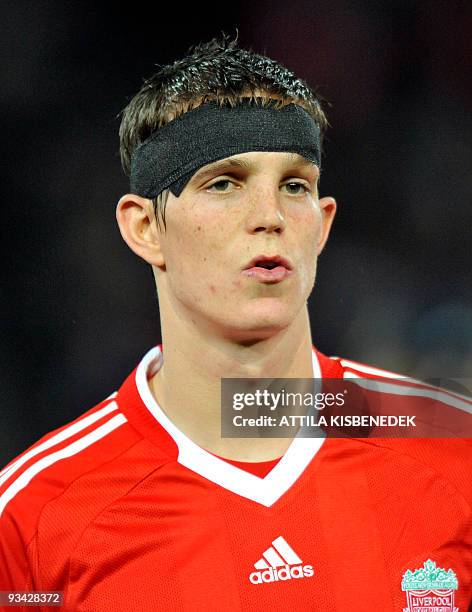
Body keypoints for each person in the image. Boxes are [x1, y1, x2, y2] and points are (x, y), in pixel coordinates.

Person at [0, 37, 471, 612]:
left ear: (321, 226)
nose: (270, 217)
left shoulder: (450, 445)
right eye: (224, 183)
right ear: (145, 227)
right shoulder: (35, 516)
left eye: (294, 185)